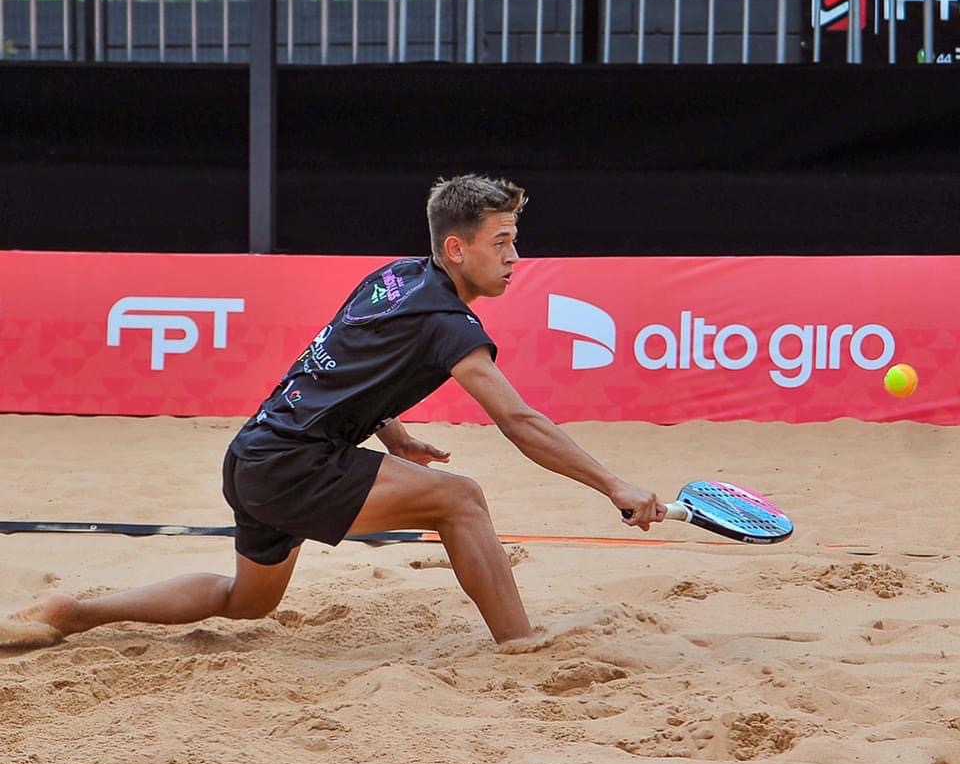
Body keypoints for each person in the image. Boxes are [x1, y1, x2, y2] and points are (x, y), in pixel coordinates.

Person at [2, 175, 666, 648]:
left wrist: (396, 434)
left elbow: (349, 361)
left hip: (255, 452)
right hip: (294, 462)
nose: (516, 257)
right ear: (458, 249)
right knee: (461, 499)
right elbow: (521, 422)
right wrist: (615, 486)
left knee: (248, 601)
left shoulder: (394, 277)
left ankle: (75, 612)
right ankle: (521, 647)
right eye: (503, 241)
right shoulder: (445, 318)